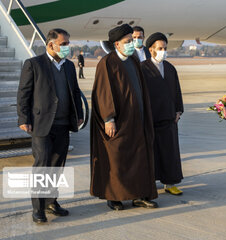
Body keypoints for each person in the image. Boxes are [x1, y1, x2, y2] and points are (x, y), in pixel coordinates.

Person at [17, 28, 84, 224]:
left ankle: (51, 201)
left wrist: (78, 115)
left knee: (57, 166)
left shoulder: (69, 67)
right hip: (41, 125)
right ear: (50, 44)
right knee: (42, 165)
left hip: (63, 124)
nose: (67, 47)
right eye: (63, 44)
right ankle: (38, 208)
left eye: (67, 43)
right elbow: (23, 93)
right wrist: (23, 118)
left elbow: (75, 91)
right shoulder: (34, 64)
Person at [90, 24, 158, 211]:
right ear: (117, 44)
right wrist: (109, 119)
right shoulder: (107, 63)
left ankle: (139, 196)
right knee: (117, 160)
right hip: (119, 122)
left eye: (133, 40)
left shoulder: (134, 60)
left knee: (140, 159)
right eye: (128, 41)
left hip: (138, 121)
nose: (132, 44)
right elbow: (103, 94)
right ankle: (115, 197)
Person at [141, 32, 184, 195]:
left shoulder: (170, 68)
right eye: (160, 48)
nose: (163, 51)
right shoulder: (143, 68)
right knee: (151, 153)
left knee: (170, 152)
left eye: (165, 48)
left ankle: (170, 182)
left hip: (169, 118)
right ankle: (149, 182)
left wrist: (178, 110)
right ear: (151, 49)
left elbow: (177, 92)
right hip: (150, 118)